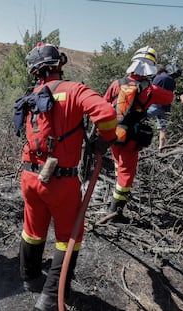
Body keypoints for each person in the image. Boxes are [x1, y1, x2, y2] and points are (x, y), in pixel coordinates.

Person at [15, 42, 117, 311]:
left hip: (29, 177)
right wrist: (104, 140)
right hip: (60, 181)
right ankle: (51, 297)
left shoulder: (33, 95)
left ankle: (30, 279)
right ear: (59, 64)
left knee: (33, 230)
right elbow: (106, 114)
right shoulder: (74, 90)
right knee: (68, 236)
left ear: (35, 71)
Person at [104, 46, 174, 216]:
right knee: (126, 174)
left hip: (114, 134)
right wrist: (165, 78)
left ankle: (114, 196)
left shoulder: (117, 83)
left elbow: (104, 102)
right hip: (133, 138)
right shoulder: (150, 90)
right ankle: (115, 211)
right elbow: (169, 97)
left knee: (117, 165)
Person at [146, 64, 180, 149]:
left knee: (138, 119)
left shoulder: (158, 78)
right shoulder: (172, 80)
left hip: (155, 105)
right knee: (163, 128)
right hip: (165, 107)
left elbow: (151, 91)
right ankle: (161, 147)